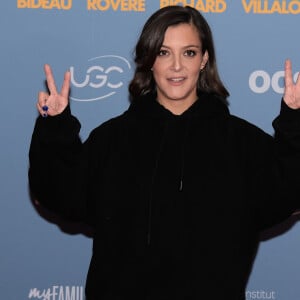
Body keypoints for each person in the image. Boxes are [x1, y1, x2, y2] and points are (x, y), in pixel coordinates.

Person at [28, 5, 300, 300]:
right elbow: (60, 194)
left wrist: (295, 121)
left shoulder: (241, 142)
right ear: (149, 60)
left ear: (204, 59)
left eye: (189, 52)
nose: (176, 67)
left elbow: (286, 191)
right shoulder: (113, 139)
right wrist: (55, 128)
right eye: (163, 52)